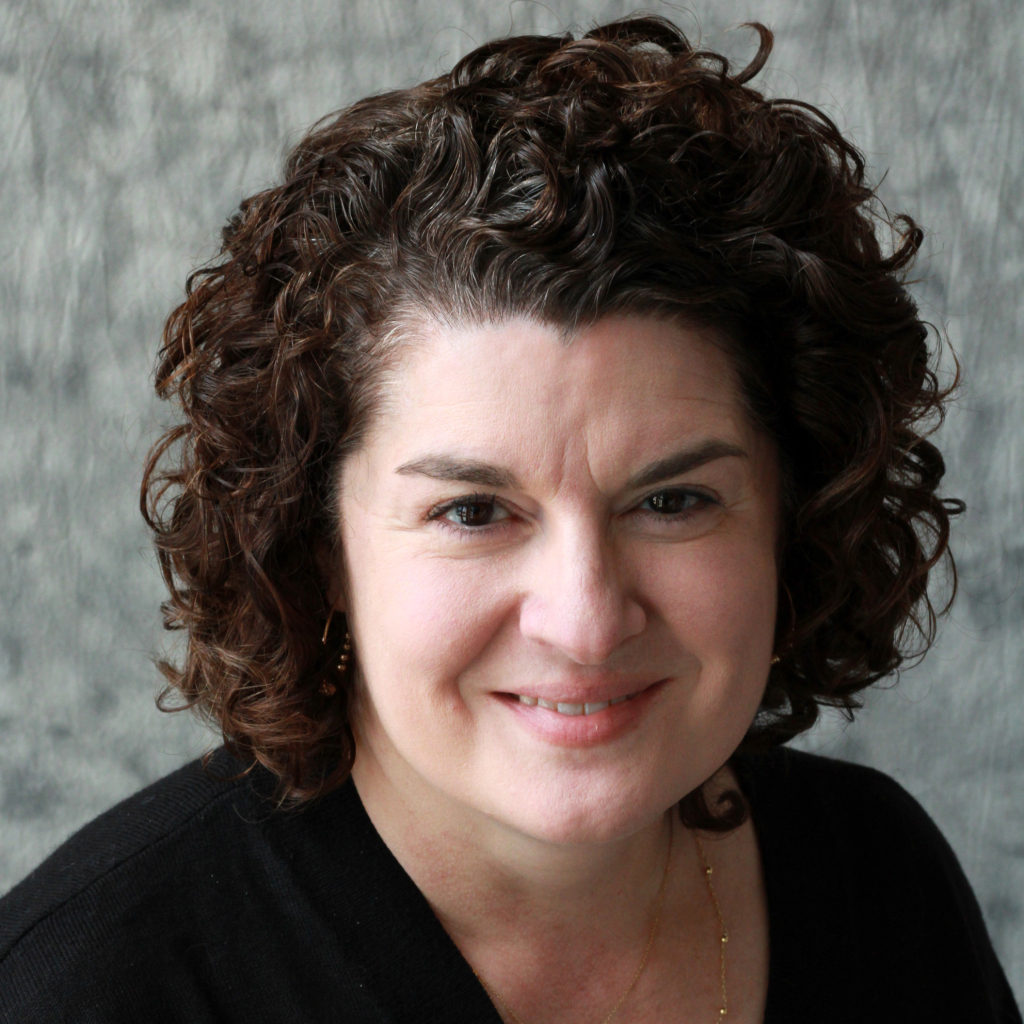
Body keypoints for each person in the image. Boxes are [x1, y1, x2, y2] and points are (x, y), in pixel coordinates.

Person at [0, 15, 1019, 1024]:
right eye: (472, 510)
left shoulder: (877, 880)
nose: (583, 621)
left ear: (791, 522)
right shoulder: (89, 987)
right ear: (317, 548)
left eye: (672, 500)